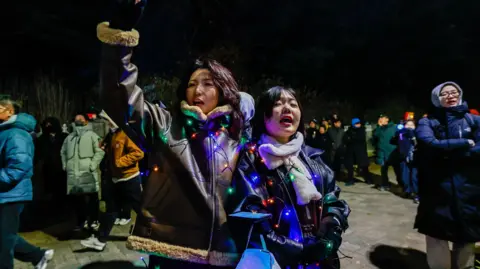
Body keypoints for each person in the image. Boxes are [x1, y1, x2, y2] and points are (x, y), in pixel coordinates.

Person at [96, 1, 255, 267]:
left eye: (208, 84)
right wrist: (119, 39)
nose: (198, 90)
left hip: (222, 251)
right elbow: (117, 95)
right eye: (192, 84)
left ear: (224, 90)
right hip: (169, 248)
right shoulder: (165, 125)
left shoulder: (237, 136)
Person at [228, 86, 350, 268]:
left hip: (321, 260)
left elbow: (333, 201)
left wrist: (332, 228)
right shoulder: (252, 159)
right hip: (277, 261)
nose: (287, 108)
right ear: (264, 114)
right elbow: (251, 218)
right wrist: (298, 250)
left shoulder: (313, 157)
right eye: (278, 104)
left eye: (293, 104)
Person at [415, 82, 480, 269]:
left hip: (468, 188)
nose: (450, 96)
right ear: (437, 98)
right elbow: (429, 142)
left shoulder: (473, 120)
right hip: (437, 188)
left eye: (454, 92)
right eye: (444, 93)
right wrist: (466, 142)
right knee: (436, 235)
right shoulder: (428, 121)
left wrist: (450, 150)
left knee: (467, 234)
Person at [0, 99, 54, 269]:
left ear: (9, 111)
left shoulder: (16, 133)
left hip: (11, 194)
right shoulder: (5, 132)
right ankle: (38, 256)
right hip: (4, 193)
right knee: (4, 237)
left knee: (3, 243)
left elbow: (19, 166)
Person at [81, 119, 144, 251]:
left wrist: (120, 162)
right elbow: (106, 148)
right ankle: (100, 240)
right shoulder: (112, 134)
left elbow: (138, 152)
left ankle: (158, 232)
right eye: (107, 122)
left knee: (140, 209)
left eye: (110, 121)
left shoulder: (126, 134)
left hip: (129, 178)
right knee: (111, 210)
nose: (108, 124)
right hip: (116, 179)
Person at [61, 113, 105, 232]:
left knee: (92, 197)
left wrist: (92, 165)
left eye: (81, 118)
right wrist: (65, 165)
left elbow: (100, 151)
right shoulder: (69, 137)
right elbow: (63, 152)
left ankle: (94, 220)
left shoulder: (92, 135)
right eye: (76, 119)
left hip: (87, 172)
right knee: (77, 200)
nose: (78, 120)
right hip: (73, 174)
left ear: (86, 121)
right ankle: (81, 221)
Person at [35, 117, 68, 205]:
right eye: (46, 124)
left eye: (50, 124)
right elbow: (38, 154)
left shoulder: (64, 137)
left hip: (62, 169)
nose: (48, 126)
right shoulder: (41, 139)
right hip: (47, 169)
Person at [391, 120, 418, 203]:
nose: (409, 126)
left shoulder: (418, 133)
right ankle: (408, 191)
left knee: (414, 177)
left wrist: (413, 136)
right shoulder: (402, 134)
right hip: (404, 159)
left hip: (415, 160)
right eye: (407, 125)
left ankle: (416, 194)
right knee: (405, 177)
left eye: (411, 125)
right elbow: (396, 140)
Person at [372, 114, 399, 191]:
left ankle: (402, 184)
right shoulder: (380, 128)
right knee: (383, 170)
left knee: (397, 170)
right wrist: (379, 126)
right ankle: (385, 184)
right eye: (380, 118)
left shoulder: (394, 127)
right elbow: (375, 135)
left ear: (387, 119)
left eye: (382, 118)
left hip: (392, 152)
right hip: (382, 153)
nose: (380, 120)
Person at [344, 118, 371, 186]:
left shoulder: (361, 130)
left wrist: (352, 138)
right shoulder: (349, 131)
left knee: (364, 166)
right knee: (350, 166)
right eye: (356, 123)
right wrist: (351, 139)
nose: (358, 124)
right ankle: (350, 179)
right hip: (350, 151)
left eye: (359, 123)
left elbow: (360, 139)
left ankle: (368, 179)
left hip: (360, 151)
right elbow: (345, 139)